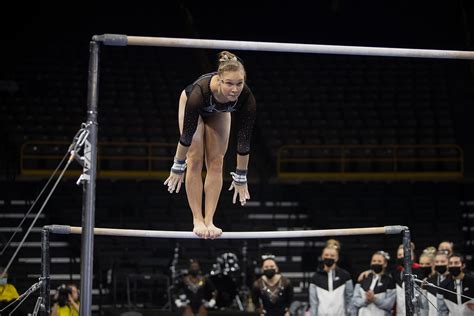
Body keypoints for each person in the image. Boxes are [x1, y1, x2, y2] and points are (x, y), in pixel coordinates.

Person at [164, 50, 257, 239]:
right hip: (193, 107)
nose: (235, 89)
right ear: (219, 79)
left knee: (217, 162)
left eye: (239, 83)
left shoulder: (247, 98)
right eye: (229, 83)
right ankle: (197, 219)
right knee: (195, 158)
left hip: (219, 112)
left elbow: (244, 140)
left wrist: (241, 175)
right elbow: (187, 135)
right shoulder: (200, 92)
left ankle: (209, 220)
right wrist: (177, 164)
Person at [309, 246, 353, 316]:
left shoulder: (345, 275)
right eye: (326, 255)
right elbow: (313, 302)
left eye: (332, 255)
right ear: (322, 256)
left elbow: (350, 298)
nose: (329, 257)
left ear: (337, 258)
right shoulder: (315, 277)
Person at [350, 251, 395, 315]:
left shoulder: (389, 281)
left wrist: (374, 299)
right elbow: (355, 300)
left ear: (385, 264)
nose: (376, 263)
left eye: (379, 261)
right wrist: (366, 300)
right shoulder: (363, 277)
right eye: (374, 261)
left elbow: (389, 305)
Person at [391, 242, 420, 315]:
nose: (401, 257)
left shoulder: (419, 270)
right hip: (400, 309)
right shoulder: (396, 271)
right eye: (399, 255)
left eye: (404, 254)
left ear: (412, 256)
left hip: (416, 309)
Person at [421, 250, 449, 316]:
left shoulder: (452, 281)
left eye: (442, 262)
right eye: (437, 262)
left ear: (448, 263)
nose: (439, 264)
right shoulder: (428, 281)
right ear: (434, 264)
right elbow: (424, 307)